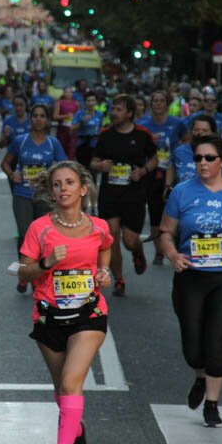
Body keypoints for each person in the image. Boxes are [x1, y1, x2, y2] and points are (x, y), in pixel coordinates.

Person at [158, 135, 222, 427]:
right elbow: (166, 231)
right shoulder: (182, 192)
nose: (202, 163)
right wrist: (171, 254)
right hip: (190, 275)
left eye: (208, 158)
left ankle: (213, 404)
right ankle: (200, 377)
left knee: (216, 342)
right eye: (197, 158)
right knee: (193, 348)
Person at [17, 161, 112, 444]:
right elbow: (24, 271)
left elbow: (107, 248)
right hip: (49, 316)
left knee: (72, 382)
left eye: (70, 183)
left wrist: (105, 272)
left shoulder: (98, 226)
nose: (63, 189)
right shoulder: (39, 229)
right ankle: (78, 431)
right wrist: (46, 263)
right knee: (62, 389)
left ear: (83, 189)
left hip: (89, 314)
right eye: (57, 184)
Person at [89, 94, 157, 297]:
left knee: (129, 240)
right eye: (113, 109)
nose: (114, 113)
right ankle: (119, 279)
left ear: (129, 113)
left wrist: (143, 171)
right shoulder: (105, 134)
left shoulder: (143, 134)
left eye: (119, 109)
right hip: (110, 193)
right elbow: (93, 161)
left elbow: (154, 159)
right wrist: (100, 165)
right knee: (111, 237)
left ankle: (137, 251)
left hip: (134, 194)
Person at [2, 104, 66, 292]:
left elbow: (64, 167)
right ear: (31, 119)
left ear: (47, 120)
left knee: (42, 237)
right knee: (24, 233)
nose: (38, 119)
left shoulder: (53, 143)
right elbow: (5, 163)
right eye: (35, 116)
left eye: (42, 116)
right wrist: (12, 174)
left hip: (44, 197)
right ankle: (24, 273)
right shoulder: (20, 141)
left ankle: (37, 272)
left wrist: (54, 182)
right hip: (22, 194)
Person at [138, 91, 187, 264]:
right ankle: (159, 251)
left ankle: (177, 245)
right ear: (150, 104)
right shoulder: (143, 124)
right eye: (154, 101)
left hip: (172, 172)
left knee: (175, 211)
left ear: (167, 104)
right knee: (155, 212)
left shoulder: (177, 123)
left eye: (161, 101)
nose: (158, 104)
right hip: (151, 173)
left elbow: (186, 142)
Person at [166, 115, 222, 189]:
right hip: (183, 200)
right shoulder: (179, 151)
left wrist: (218, 191)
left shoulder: (220, 153)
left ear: (213, 133)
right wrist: (168, 185)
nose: (200, 133)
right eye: (196, 129)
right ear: (191, 131)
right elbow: (172, 165)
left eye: (205, 130)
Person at [72, 91, 104, 168]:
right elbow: (72, 129)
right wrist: (82, 121)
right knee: (83, 169)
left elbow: (100, 128)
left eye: (93, 100)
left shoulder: (99, 114)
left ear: (96, 102)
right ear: (85, 102)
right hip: (82, 144)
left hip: (94, 144)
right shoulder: (79, 114)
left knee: (94, 169)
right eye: (88, 101)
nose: (91, 103)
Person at [53, 86, 80, 162]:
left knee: (71, 152)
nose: (68, 94)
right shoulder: (59, 103)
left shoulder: (76, 103)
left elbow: (79, 116)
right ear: (64, 93)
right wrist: (66, 116)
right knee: (61, 152)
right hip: (62, 131)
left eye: (70, 92)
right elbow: (55, 116)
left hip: (72, 131)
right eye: (67, 92)